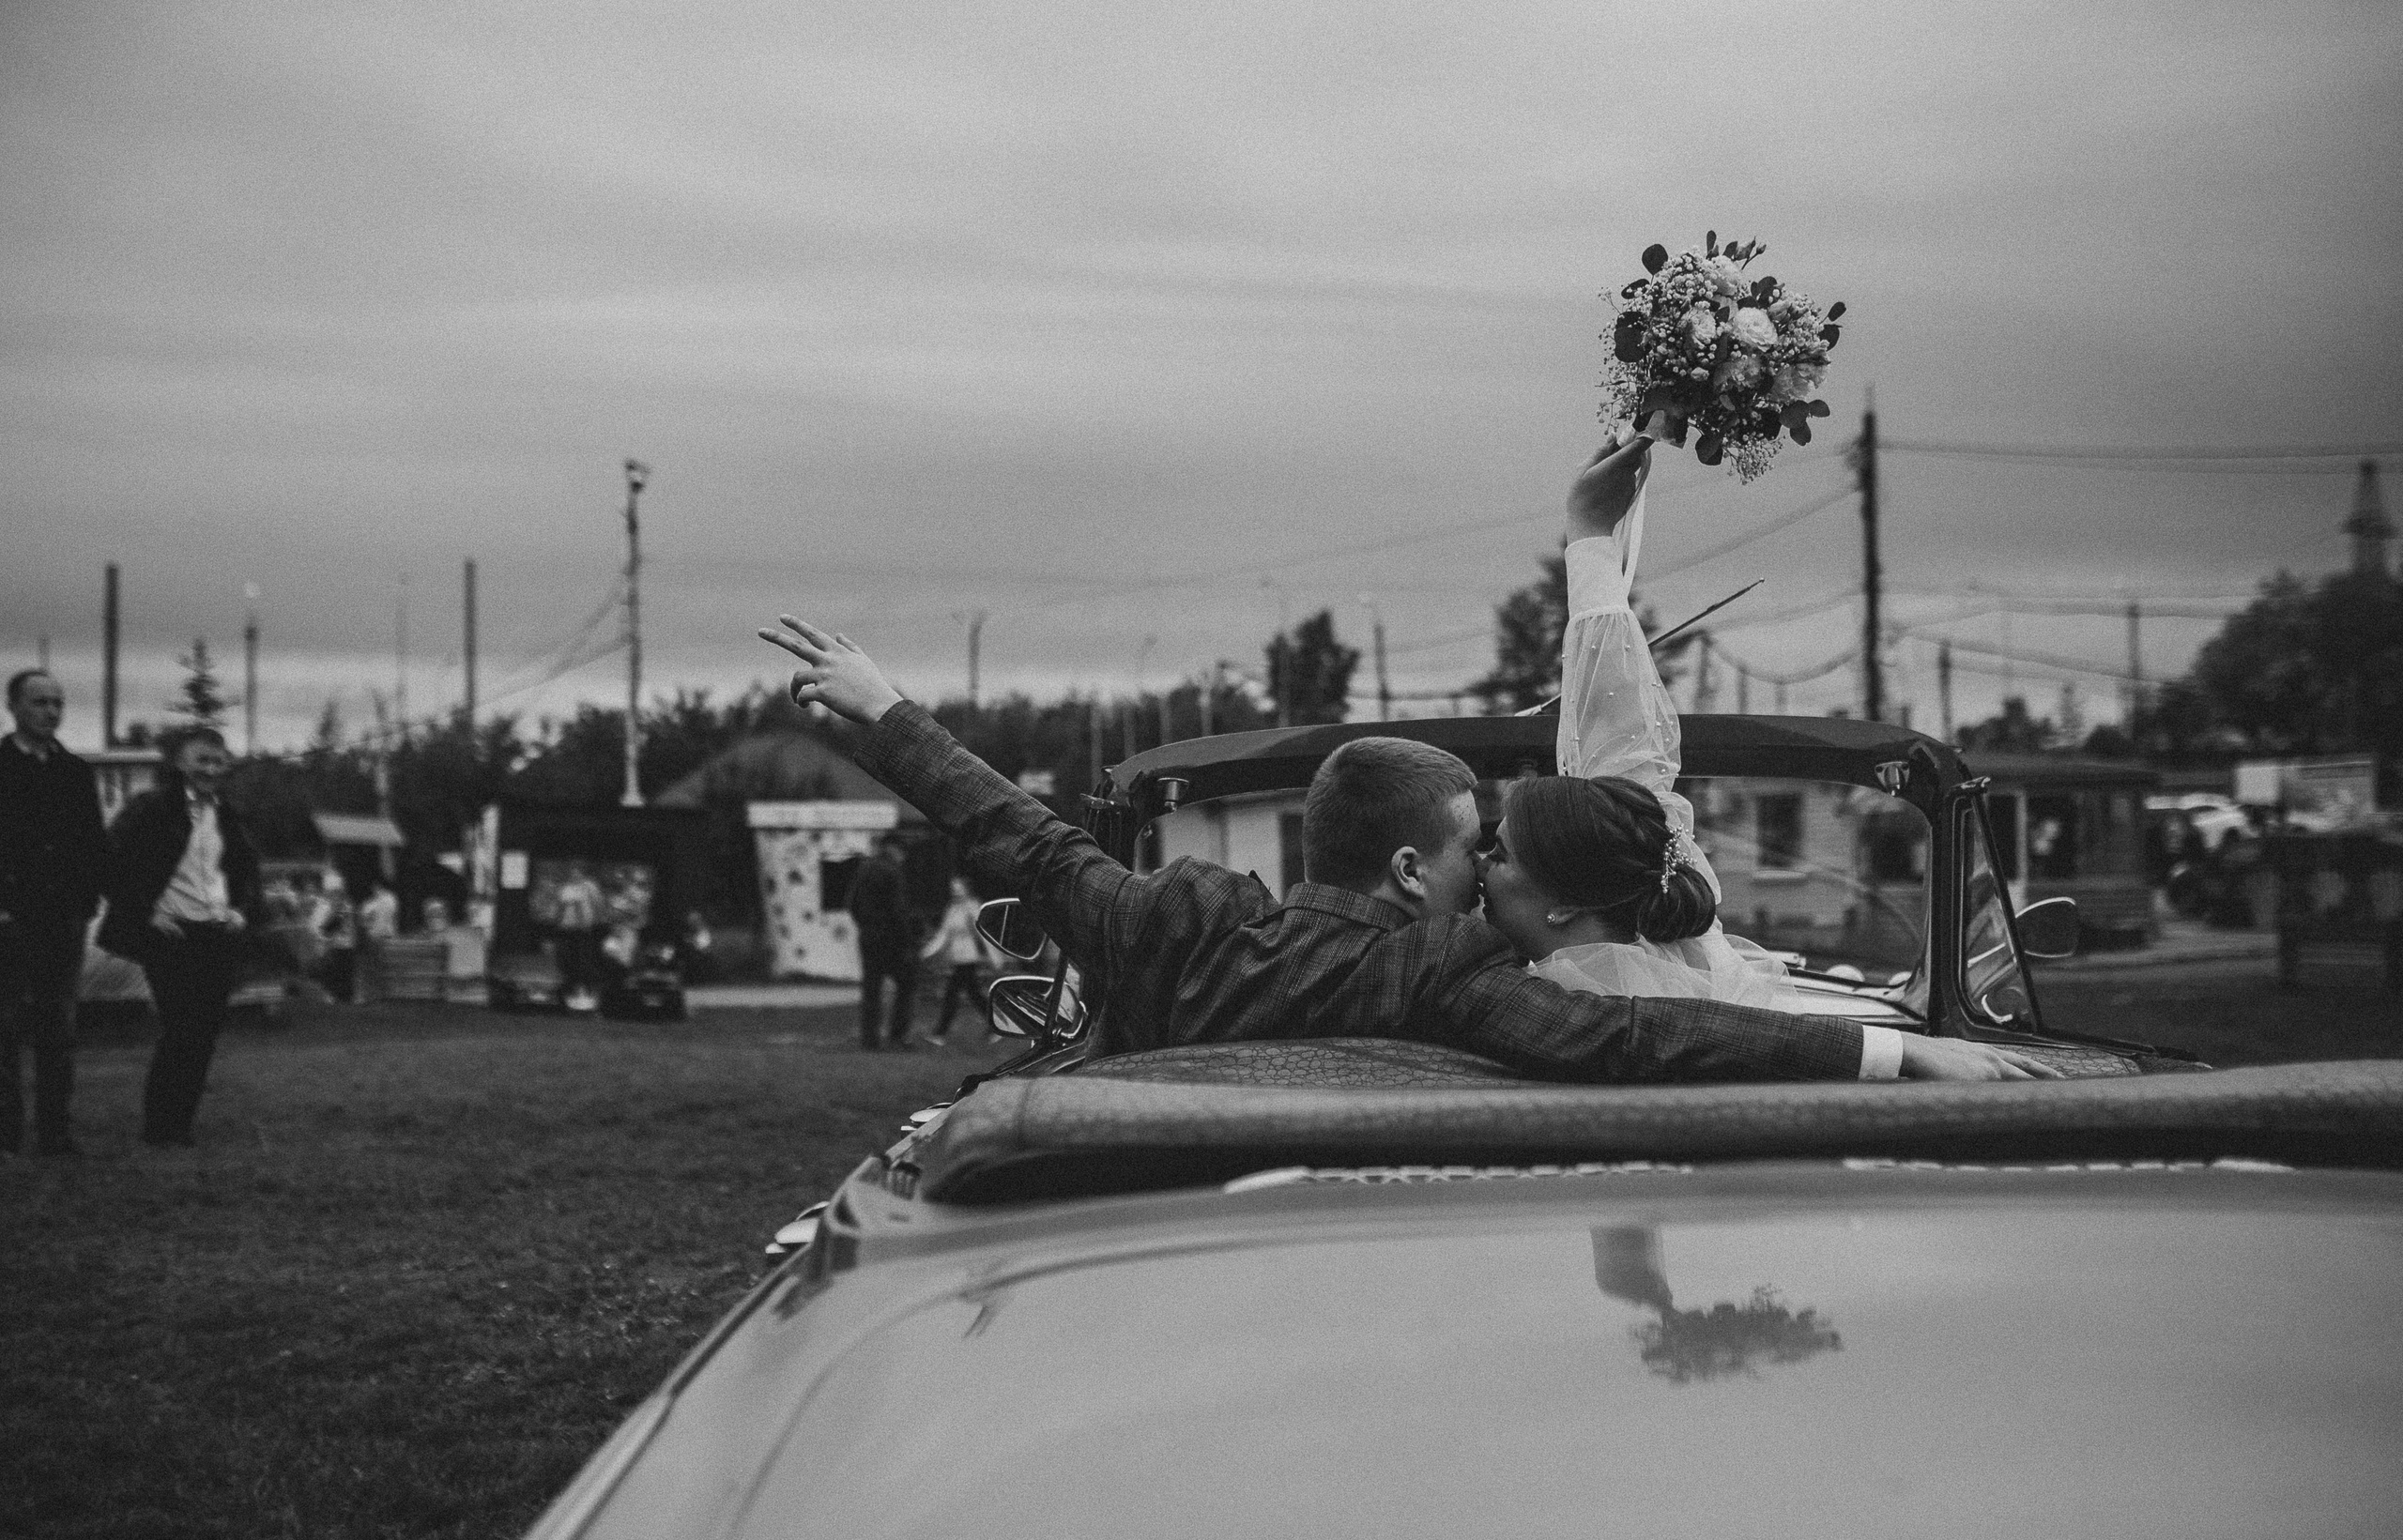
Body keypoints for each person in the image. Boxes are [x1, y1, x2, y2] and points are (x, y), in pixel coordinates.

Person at [758, 616, 2056, 1083]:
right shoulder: (1437, 980)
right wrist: (1895, 1050)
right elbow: (1636, 1040)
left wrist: (884, 715)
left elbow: (1022, 836)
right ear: (1406, 873)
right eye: (1473, 847)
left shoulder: (1168, 919)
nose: (1488, 868)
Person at [1476, 422, 1822, 1015]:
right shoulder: (1687, 974)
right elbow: (1624, 766)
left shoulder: (1562, 1011)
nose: (1478, 863)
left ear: (1563, 903)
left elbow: (1621, 756)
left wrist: (1588, 539)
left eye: (1500, 854)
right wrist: (1589, 540)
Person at [98, 726, 263, 1148]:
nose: (210, 768)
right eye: (200, 759)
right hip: (172, 935)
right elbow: (109, 861)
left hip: (216, 933)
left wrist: (241, 910)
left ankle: (180, 1127)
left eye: (217, 760)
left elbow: (246, 869)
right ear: (179, 763)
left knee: (204, 1032)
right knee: (180, 1029)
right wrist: (145, 912)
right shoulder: (152, 808)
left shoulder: (227, 813)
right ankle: (160, 1128)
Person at [0, 669, 110, 1157]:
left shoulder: (75, 773)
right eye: (41, 702)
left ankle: (54, 1132)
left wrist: (87, 903)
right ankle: (5, 1133)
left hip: (62, 919)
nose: (51, 711)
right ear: (14, 707)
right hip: (8, 917)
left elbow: (92, 844)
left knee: (58, 1028)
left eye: (58, 703)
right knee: (3, 1029)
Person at [847, 834, 923, 1050]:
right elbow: (899, 912)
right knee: (906, 984)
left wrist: (866, 925)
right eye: (902, 854)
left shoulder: (864, 868)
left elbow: (851, 903)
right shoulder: (893, 872)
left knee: (871, 988)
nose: (902, 859)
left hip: (869, 937)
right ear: (896, 849)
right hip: (892, 940)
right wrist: (908, 942)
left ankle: (869, 1039)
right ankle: (897, 1036)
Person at [920, 877, 998, 1046]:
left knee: (952, 995)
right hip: (957, 959)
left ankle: (939, 1033)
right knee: (974, 994)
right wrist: (926, 953)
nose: (955, 891)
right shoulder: (952, 909)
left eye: (959, 888)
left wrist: (994, 956)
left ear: (966, 889)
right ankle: (996, 1025)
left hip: (968, 959)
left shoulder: (972, 907)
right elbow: (943, 936)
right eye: (953, 888)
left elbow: (984, 934)